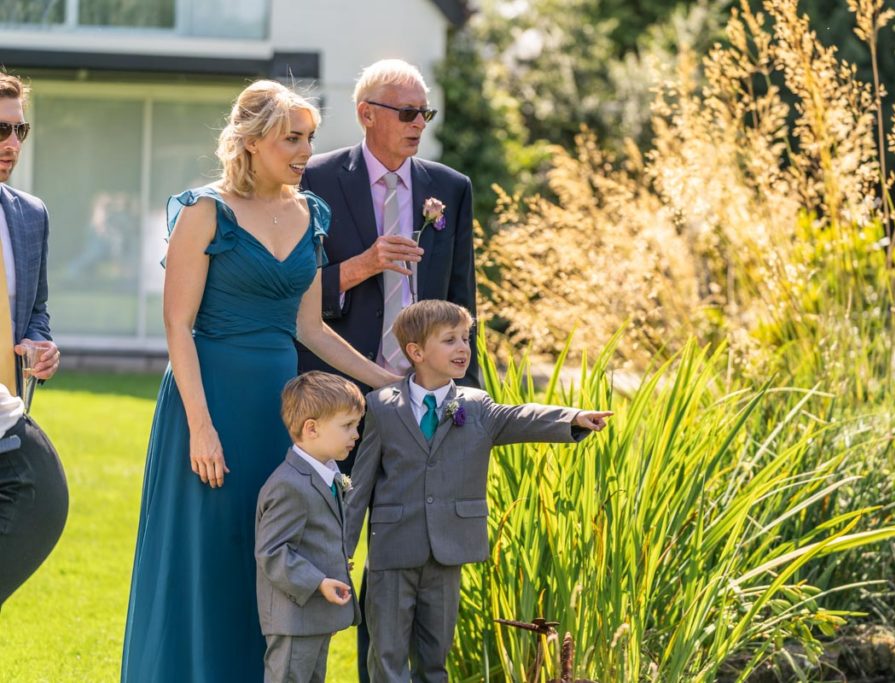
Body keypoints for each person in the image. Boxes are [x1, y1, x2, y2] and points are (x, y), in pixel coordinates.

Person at [121, 81, 400, 683]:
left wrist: (386, 382)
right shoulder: (203, 211)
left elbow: (310, 327)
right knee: (211, 550)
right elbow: (177, 326)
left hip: (278, 408)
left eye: (310, 139)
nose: (304, 151)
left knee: (273, 545)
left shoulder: (310, 212)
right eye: (290, 139)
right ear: (249, 143)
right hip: (209, 401)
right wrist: (200, 427)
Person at [345, 300, 613, 682]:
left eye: (465, 339)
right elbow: (361, 486)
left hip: (447, 552)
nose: (462, 348)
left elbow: (520, 415)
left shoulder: (476, 406)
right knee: (386, 657)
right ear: (416, 352)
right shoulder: (381, 407)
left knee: (434, 656)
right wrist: (343, 551)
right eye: (449, 340)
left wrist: (571, 417)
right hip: (392, 550)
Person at [299, 58, 480, 408]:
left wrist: (466, 395)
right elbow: (295, 291)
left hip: (425, 389)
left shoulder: (452, 187)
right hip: (336, 388)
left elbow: (462, 298)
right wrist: (362, 266)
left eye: (424, 114)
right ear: (367, 114)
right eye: (407, 113)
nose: (418, 124)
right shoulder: (314, 180)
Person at [0, 71, 66, 609]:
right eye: (0, 130)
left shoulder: (29, 214)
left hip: (8, 418)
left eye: (20, 130)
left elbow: (35, 309)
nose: (11, 144)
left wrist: (40, 346)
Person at [255, 371, 364, 683]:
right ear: (312, 428)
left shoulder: (327, 476)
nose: (355, 434)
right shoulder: (289, 485)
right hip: (294, 617)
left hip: (315, 616)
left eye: (355, 425)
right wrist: (318, 582)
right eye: (347, 426)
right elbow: (272, 552)